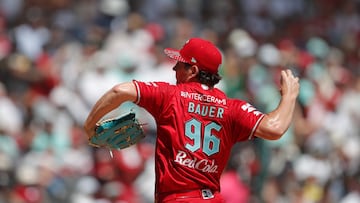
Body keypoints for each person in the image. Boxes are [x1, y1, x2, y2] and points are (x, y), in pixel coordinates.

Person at [84, 37, 300, 202]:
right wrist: (289, 96)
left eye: (180, 64)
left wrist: (89, 126)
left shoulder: (170, 96)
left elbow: (119, 92)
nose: (174, 68)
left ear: (193, 70)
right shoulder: (233, 107)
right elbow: (276, 127)